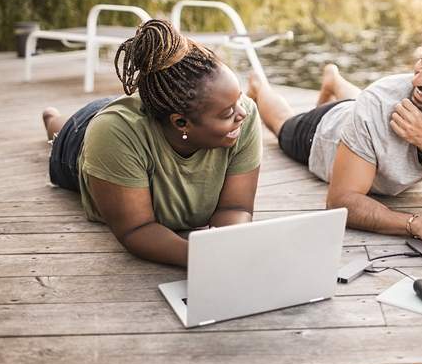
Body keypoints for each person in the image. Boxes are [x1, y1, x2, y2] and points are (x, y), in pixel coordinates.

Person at [247, 19, 422, 249]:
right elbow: (341, 201)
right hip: (324, 131)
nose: (417, 79)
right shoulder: (375, 104)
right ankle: (260, 88)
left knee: (365, 103)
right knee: (283, 124)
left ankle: (334, 80)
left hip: (363, 111)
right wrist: (416, 223)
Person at [41, 19, 263, 267]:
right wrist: (203, 260)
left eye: (239, 99)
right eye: (227, 113)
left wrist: (227, 247)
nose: (241, 113)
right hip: (88, 137)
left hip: (153, 109)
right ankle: (50, 117)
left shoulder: (244, 117)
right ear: (181, 123)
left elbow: (236, 206)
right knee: (61, 130)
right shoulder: (112, 135)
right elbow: (136, 229)